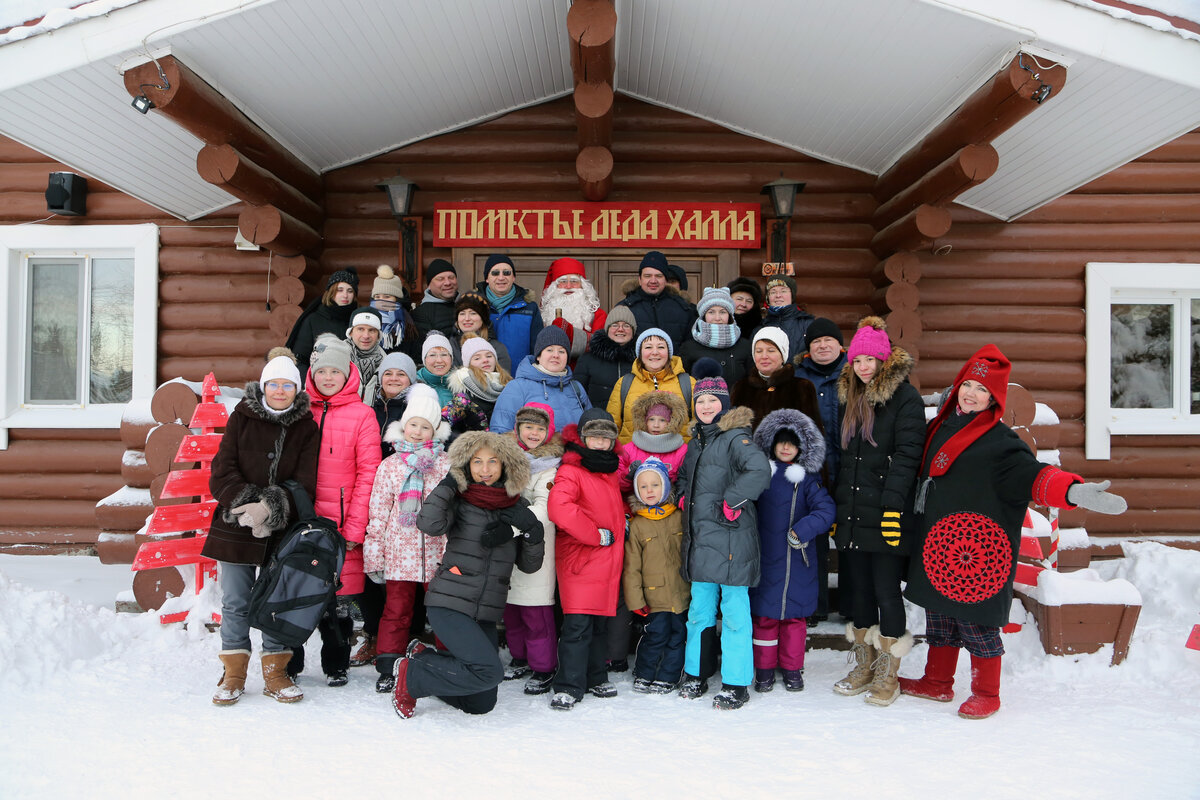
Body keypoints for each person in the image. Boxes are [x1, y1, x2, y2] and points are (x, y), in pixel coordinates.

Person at [901, 345, 1127, 720]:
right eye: (967, 385)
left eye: (981, 390)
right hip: (940, 543)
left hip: (976, 548)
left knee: (977, 623)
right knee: (939, 616)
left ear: (994, 399)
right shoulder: (942, 424)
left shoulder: (1000, 442)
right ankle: (937, 681)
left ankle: (987, 693)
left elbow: (1034, 476)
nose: (971, 394)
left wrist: (1072, 491)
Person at [391, 432, 545, 718]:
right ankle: (411, 675)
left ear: (505, 465)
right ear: (467, 465)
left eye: (492, 462)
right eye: (477, 462)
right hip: (449, 603)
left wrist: (533, 532)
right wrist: (448, 484)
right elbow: (428, 523)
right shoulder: (459, 499)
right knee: (489, 671)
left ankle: (425, 660)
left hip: (484, 612)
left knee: (481, 703)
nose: (484, 469)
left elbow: (529, 565)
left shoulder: (517, 508)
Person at [204, 351, 319, 705]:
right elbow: (222, 469)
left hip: (281, 528)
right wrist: (245, 503)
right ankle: (234, 672)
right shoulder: (241, 417)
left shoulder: (306, 426)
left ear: (296, 389)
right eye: (274, 384)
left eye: (287, 385)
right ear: (264, 386)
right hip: (234, 524)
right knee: (236, 600)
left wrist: (269, 508)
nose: (280, 391)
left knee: (276, 600)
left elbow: (305, 480)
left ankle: (276, 671)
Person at [831, 317, 925, 707]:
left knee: (887, 592)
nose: (864, 366)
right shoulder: (851, 397)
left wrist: (892, 508)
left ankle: (889, 672)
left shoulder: (905, 399)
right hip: (853, 513)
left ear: (885, 361)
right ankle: (864, 664)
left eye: (871, 359)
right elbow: (846, 459)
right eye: (857, 360)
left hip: (886, 512)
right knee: (860, 594)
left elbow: (907, 457)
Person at [676, 359, 771, 710]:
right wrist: (683, 495)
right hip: (701, 543)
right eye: (700, 401)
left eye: (712, 401)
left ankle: (735, 681)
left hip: (731, 540)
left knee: (733, 614)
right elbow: (686, 476)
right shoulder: (697, 442)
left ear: (724, 405)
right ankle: (697, 673)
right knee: (699, 612)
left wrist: (733, 500)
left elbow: (759, 471)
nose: (705, 407)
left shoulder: (735, 437)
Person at [291, 334, 382, 688]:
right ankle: (292, 662)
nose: (329, 377)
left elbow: (368, 473)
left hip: (342, 523)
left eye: (336, 372)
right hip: (301, 520)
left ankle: (336, 663)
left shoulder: (362, 415)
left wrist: (355, 526)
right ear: (312, 373)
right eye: (322, 371)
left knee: (338, 602)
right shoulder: (299, 410)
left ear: (348, 375)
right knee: (296, 591)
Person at [362, 384, 452, 693]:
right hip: (399, 551)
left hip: (437, 550)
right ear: (403, 426)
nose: (417, 431)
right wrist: (374, 554)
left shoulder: (445, 465)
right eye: (413, 424)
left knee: (441, 610)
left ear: (434, 431)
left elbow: (455, 510)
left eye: (424, 426)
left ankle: (447, 663)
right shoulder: (390, 466)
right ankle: (389, 663)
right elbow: (378, 512)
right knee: (397, 609)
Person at [749, 409, 836, 693]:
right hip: (765, 560)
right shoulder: (761, 476)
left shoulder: (807, 480)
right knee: (765, 619)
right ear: (772, 445)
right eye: (781, 442)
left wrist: (804, 529)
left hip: (798, 563)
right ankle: (763, 670)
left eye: (792, 443)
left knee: (794, 621)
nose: (786, 448)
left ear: (801, 449)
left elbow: (826, 510)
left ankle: (791, 669)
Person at [546, 408, 626, 710]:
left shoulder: (608, 471)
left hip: (606, 561)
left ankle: (595, 676)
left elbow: (609, 507)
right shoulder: (571, 470)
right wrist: (596, 535)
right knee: (577, 626)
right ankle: (568, 684)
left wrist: (623, 521)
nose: (599, 443)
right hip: (582, 558)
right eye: (593, 437)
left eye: (605, 438)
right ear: (581, 438)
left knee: (598, 625)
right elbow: (560, 508)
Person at [503, 403, 563, 695]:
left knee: (535, 611)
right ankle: (520, 656)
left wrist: (511, 525)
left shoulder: (550, 465)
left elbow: (544, 507)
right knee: (511, 609)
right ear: (518, 429)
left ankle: (543, 666)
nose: (534, 433)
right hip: (505, 547)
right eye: (528, 427)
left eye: (540, 428)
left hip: (535, 545)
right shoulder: (504, 457)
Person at [792, 317, 847, 620]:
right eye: (816, 342)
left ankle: (852, 606)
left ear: (840, 345)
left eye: (828, 340)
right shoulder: (799, 378)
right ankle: (815, 607)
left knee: (850, 541)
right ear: (808, 349)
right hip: (813, 472)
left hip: (850, 470)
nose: (823, 346)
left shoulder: (854, 374)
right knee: (814, 542)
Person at [623, 458, 690, 694]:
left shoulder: (679, 516)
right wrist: (636, 600)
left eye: (655, 485)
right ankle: (644, 672)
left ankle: (668, 675)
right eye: (643, 486)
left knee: (678, 636)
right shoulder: (639, 524)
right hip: (654, 597)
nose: (649, 491)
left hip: (681, 593)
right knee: (655, 636)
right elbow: (632, 567)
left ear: (666, 487)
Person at [489, 327, 592, 433]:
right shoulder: (517, 387)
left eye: (562, 351)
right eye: (549, 350)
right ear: (538, 355)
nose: (556, 355)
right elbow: (500, 432)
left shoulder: (576, 388)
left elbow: (591, 428)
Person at [606, 327, 695, 446]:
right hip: (632, 460)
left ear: (668, 352)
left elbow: (699, 426)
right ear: (640, 353)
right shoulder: (624, 383)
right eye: (648, 347)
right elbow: (611, 427)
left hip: (678, 460)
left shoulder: (688, 383)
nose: (655, 352)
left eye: (661, 347)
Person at [730, 326, 822, 432]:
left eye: (771, 351)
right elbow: (732, 433)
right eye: (759, 351)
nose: (764, 356)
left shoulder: (802, 387)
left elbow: (812, 435)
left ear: (783, 355)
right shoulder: (741, 387)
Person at [614, 251, 696, 350]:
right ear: (640, 279)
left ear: (666, 280)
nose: (653, 281)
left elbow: (690, 349)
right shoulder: (624, 308)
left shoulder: (683, 309)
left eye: (658, 276)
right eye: (647, 276)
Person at [287, 269, 359, 378]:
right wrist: (309, 384)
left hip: (351, 385)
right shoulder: (313, 320)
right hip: (319, 384)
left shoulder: (358, 320)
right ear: (331, 292)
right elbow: (300, 358)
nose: (345, 295)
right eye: (340, 290)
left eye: (350, 291)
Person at [616, 389, 690, 496]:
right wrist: (628, 474)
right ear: (643, 420)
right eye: (651, 419)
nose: (656, 425)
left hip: (670, 507)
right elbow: (617, 484)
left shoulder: (682, 451)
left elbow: (686, 484)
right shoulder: (628, 450)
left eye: (662, 420)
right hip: (636, 507)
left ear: (672, 422)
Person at [476, 254, 543, 366]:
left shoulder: (530, 308)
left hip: (519, 378)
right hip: (483, 379)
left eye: (506, 273)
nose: (501, 277)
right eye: (495, 273)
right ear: (487, 278)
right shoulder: (473, 306)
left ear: (513, 277)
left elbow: (537, 349)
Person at [678, 287, 752, 386]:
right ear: (703, 316)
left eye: (722, 312)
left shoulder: (745, 346)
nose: (717, 318)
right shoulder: (689, 347)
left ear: (729, 315)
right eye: (711, 312)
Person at [539, 257, 606, 360]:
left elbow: (598, 347)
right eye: (563, 281)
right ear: (554, 287)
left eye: (574, 281)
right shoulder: (543, 316)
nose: (569, 286)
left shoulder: (598, 315)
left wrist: (569, 331)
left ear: (583, 286)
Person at [573, 305, 637, 408]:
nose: (620, 329)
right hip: (598, 422)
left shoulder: (641, 360)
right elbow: (576, 396)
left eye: (626, 325)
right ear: (607, 329)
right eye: (615, 325)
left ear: (633, 331)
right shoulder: (588, 359)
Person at [447, 335, 513, 425]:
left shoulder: (510, 385)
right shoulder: (465, 393)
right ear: (468, 364)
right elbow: (446, 422)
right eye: (477, 358)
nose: (485, 360)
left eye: (489, 356)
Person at [449, 291, 513, 373]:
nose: (467, 318)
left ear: (483, 319)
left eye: (473, 313)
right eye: (462, 314)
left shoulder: (497, 348)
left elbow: (502, 380)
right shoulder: (450, 346)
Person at [369, 264, 421, 362]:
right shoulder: (367, 319)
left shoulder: (408, 323)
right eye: (377, 297)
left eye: (387, 297)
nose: (381, 301)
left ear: (396, 299)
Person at [372, 351, 418, 459]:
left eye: (401, 374)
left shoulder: (417, 409)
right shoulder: (371, 406)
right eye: (388, 373)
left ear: (410, 380)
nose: (393, 378)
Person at [760, 275, 814, 361]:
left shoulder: (808, 324)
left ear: (792, 295)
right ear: (768, 298)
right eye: (773, 292)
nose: (778, 295)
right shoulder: (761, 326)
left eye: (783, 291)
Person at [346, 306, 385, 401]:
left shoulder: (386, 364)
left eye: (372, 330)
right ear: (351, 332)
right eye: (360, 329)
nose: (366, 336)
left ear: (378, 335)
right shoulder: (336, 357)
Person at [412, 259, 459, 339]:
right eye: (440, 279)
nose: (447, 283)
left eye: (451, 277)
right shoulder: (421, 314)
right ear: (429, 285)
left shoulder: (466, 306)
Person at [416, 332, 456, 407]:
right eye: (432, 355)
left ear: (451, 358)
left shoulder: (462, 385)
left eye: (444, 354)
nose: (439, 360)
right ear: (424, 359)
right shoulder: (413, 385)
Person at [727, 276, 763, 343]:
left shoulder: (760, 329)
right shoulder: (718, 322)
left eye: (749, 301)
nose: (743, 304)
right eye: (739, 299)